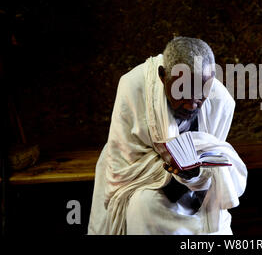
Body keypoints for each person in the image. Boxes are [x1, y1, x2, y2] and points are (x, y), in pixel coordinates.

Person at [87, 36, 247, 235]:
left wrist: (194, 176)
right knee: (142, 206)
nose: (191, 105)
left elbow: (213, 164)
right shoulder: (133, 87)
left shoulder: (220, 100)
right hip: (142, 181)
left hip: (196, 190)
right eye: (182, 92)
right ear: (163, 77)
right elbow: (125, 160)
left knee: (215, 219)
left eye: (200, 95)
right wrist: (169, 172)